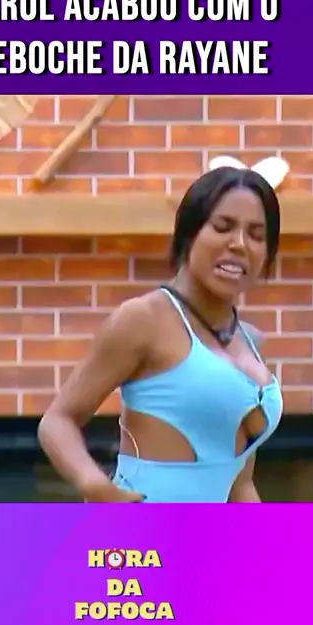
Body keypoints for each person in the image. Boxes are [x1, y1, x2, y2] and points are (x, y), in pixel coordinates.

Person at [38, 166, 283, 503]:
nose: (239, 244)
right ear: (189, 233)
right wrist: (94, 485)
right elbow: (57, 420)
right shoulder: (144, 319)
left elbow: (240, 483)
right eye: (222, 227)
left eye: (256, 235)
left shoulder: (252, 342)